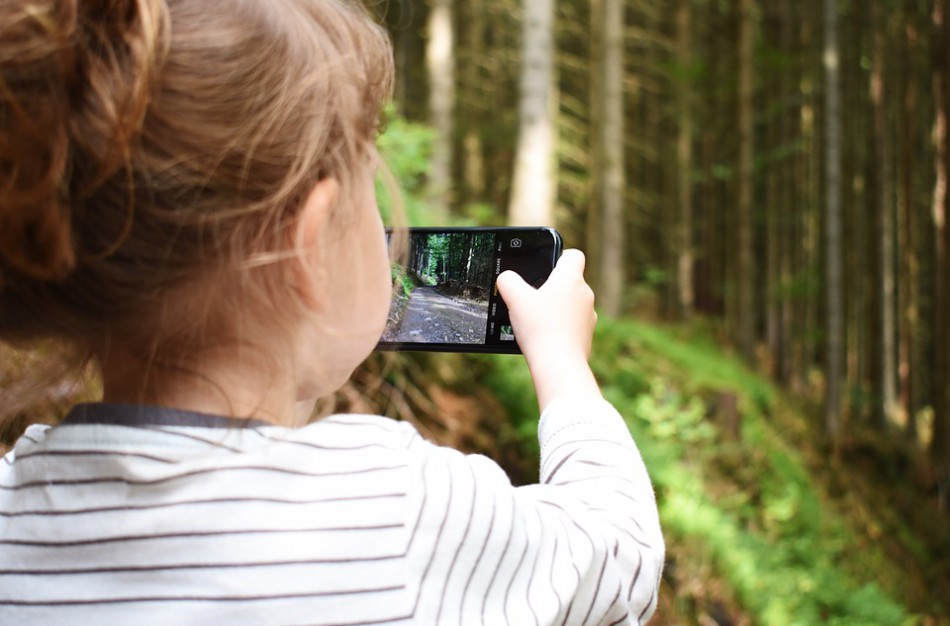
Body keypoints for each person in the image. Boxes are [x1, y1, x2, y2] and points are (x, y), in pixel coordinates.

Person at [0, 0, 664, 624]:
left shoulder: (13, 510)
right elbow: (619, 552)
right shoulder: (399, 511)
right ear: (310, 245)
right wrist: (562, 363)